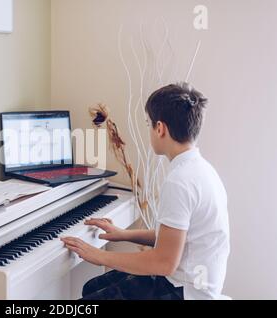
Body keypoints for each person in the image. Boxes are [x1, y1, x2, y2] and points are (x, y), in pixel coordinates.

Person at [61, 82, 230, 300]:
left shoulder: (180, 181)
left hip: (184, 292)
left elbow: (163, 262)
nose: (149, 130)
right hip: (188, 281)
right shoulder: (201, 170)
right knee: (92, 287)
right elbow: (174, 238)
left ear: (160, 128)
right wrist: (124, 235)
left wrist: (100, 256)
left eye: (149, 124)